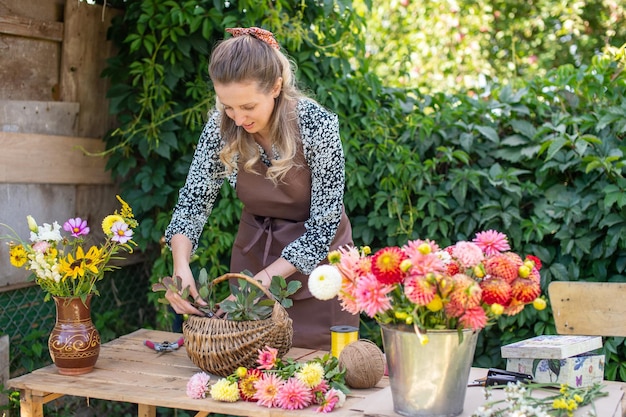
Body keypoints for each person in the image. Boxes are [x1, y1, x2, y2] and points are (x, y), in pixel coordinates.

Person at [164, 27, 358, 350]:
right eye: (228, 106)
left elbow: (323, 228)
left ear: (276, 87)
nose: (237, 119)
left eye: (248, 107)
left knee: (319, 380)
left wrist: (261, 283)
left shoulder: (316, 125)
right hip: (254, 263)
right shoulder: (221, 126)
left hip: (321, 276)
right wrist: (180, 265)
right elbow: (192, 203)